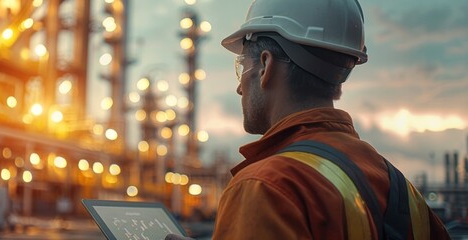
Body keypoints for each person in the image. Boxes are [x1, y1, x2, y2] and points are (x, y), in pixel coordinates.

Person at [167, 0, 450, 239]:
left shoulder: (265, 187)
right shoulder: (399, 187)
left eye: (243, 65)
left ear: (265, 65)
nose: (240, 87)